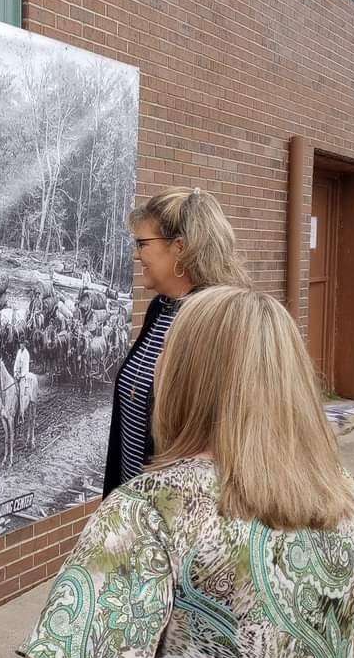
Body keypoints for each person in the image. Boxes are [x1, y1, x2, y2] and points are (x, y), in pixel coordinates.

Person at [21, 287, 354, 658]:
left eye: (167, 350)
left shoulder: (151, 512)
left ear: (185, 376)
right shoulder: (343, 493)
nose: (157, 361)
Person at [103, 186, 248, 498]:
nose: (136, 253)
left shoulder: (218, 322)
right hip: (133, 507)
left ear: (179, 247)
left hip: (176, 514)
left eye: (143, 243)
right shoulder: (160, 309)